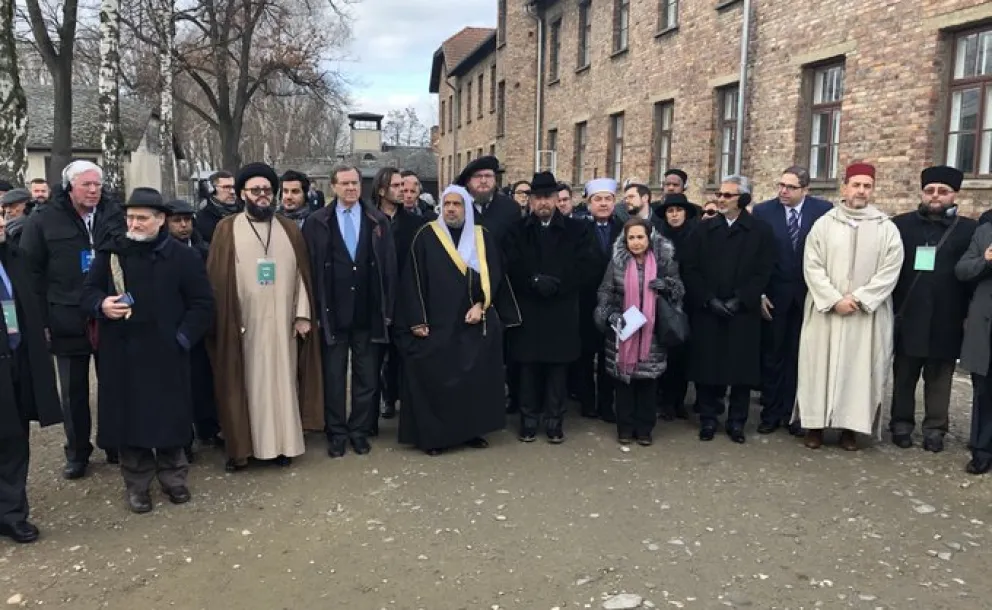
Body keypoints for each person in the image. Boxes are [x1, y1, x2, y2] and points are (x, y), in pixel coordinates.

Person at [80, 188, 213, 513]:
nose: (134, 224)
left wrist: (182, 339)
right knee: (130, 422)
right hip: (123, 355)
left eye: (142, 218)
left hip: (168, 352)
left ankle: (173, 478)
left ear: (160, 220)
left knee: (170, 418)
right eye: (130, 217)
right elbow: (86, 293)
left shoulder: (184, 257)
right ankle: (137, 485)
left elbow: (203, 304)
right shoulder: (111, 254)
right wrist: (101, 304)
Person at [206, 162, 324, 471]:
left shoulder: (287, 228)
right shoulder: (226, 228)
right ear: (243, 193)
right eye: (255, 190)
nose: (262, 196)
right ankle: (245, 448)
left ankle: (283, 446)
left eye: (267, 190)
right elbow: (217, 279)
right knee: (246, 386)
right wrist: (227, 320)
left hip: (283, 325)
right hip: (244, 326)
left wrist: (302, 316)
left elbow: (302, 275)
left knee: (282, 385)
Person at [395, 185, 521, 455]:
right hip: (436, 323)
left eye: (458, 204)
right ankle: (436, 437)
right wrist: (417, 320)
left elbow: (495, 275)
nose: (452, 209)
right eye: (448, 203)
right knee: (437, 379)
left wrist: (481, 305)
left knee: (473, 380)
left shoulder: (481, 236)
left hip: (472, 321)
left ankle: (470, 432)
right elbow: (412, 280)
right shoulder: (426, 236)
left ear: (466, 207)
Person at [19, 160, 124, 479]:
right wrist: (41, 322)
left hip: (108, 310)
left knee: (114, 382)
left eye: (98, 185)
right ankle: (77, 452)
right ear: (69, 187)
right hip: (66, 314)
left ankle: (114, 443)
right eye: (86, 185)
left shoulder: (112, 213)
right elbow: (30, 272)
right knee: (74, 391)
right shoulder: (43, 220)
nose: (94, 191)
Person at [796, 163, 904, 451]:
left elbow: (890, 270)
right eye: (856, 184)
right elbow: (812, 264)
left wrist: (859, 299)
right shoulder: (824, 224)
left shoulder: (886, 228)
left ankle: (850, 429)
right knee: (818, 366)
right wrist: (834, 299)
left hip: (864, 315)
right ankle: (815, 426)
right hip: (826, 312)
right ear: (844, 187)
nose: (861, 191)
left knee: (859, 370)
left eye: (867, 186)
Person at [302, 165, 396, 458]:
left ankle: (359, 430)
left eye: (355, 183)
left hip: (367, 312)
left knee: (366, 376)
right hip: (332, 312)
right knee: (334, 376)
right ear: (334, 187)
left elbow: (389, 268)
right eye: (344, 184)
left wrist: (388, 309)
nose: (351, 188)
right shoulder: (317, 222)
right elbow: (309, 269)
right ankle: (337, 432)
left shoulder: (377, 220)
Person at [681, 175, 774, 443]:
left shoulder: (760, 231)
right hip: (709, 310)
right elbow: (691, 268)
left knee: (741, 371)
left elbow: (763, 270)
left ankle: (737, 422)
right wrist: (708, 299)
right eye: (719, 195)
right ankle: (708, 419)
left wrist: (741, 299)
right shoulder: (703, 230)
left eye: (727, 195)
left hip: (742, 313)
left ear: (743, 199)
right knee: (708, 367)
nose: (720, 200)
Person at [889, 166, 976, 452]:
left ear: (954, 195)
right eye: (930, 191)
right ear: (922, 193)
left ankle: (935, 429)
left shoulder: (968, 230)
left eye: (943, 191)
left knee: (940, 378)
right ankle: (901, 424)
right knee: (904, 375)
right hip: (909, 313)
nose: (935, 196)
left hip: (947, 317)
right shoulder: (900, 225)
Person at [505, 171, 596, 443]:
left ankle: (555, 421)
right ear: (530, 201)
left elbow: (587, 266)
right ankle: (529, 420)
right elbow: (510, 264)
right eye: (538, 198)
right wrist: (532, 281)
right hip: (529, 308)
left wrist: (558, 284)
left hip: (562, 309)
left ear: (557, 200)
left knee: (558, 369)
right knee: (528, 368)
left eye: (548, 197)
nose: (543, 203)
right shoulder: (517, 231)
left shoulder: (578, 230)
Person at [751, 166, 833, 436]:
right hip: (774, 295)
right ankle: (771, 412)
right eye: (781, 185)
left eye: (790, 187)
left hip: (809, 296)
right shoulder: (764, 212)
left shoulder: (823, 211)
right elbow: (758, 257)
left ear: (805, 190)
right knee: (773, 355)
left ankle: (796, 413)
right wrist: (760, 293)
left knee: (802, 357)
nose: (783, 191)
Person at [0, 214, 62, 543]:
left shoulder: (14, 257)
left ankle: (12, 513)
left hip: (16, 361)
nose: (0, 223)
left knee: (14, 438)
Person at [595, 218, 683, 445]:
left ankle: (644, 429)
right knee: (624, 382)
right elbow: (605, 291)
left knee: (647, 383)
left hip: (653, 333)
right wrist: (611, 314)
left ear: (649, 238)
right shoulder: (617, 263)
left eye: (640, 237)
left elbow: (679, 292)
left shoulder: (664, 263)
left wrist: (668, 287)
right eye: (631, 238)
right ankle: (625, 427)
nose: (636, 242)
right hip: (624, 329)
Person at [165, 199, 221, 456]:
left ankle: (208, 429)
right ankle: (182, 439)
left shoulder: (204, 250)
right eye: (177, 220)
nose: (183, 225)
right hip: (171, 325)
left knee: (202, 380)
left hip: (200, 324)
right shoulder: (162, 253)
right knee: (177, 386)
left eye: (187, 220)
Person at [372, 167, 425, 422]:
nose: (403, 190)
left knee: (404, 356)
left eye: (404, 185)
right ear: (381, 190)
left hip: (406, 298)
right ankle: (383, 399)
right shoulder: (368, 220)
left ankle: (405, 405)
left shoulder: (416, 224)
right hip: (376, 300)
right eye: (396, 186)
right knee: (375, 360)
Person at [574, 178, 622, 422]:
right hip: (586, 300)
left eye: (608, 199)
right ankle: (586, 401)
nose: (603, 204)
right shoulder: (578, 229)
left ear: (615, 202)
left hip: (615, 302)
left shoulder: (624, 229)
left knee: (610, 354)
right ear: (588, 202)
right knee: (585, 354)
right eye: (598, 199)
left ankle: (606, 403)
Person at [653, 193, 699, 420]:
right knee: (663, 351)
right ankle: (663, 400)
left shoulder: (696, 236)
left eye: (678, 210)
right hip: (663, 300)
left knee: (683, 352)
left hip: (689, 300)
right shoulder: (657, 238)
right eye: (670, 211)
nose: (674, 215)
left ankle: (678, 400)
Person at [957, 221, 992, 474]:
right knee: (984, 390)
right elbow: (963, 270)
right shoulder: (984, 232)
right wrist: (986, 260)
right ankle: (982, 450)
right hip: (987, 324)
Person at [455, 156, 519, 249]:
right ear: (468, 182)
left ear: (495, 180)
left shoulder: (510, 208)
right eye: (478, 176)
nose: (483, 181)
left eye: (488, 176)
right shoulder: (458, 207)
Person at [195, 171, 240, 243]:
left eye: (234, 187)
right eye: (226, 187)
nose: (232, 192)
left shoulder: (245, 213)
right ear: (212, 189)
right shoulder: (200, 219)